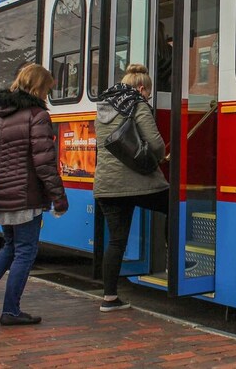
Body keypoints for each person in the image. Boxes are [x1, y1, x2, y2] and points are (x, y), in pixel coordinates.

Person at [0, 63, 68, 325]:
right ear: (38, 87)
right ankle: (10, 310)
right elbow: (44, 162)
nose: (47, 95)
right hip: (26, 194)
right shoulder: (37, 115)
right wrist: (59, 197)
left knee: (10, 246)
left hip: (2, 192)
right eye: (47, 89)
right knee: (25, 251)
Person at [94, 63, 168, 312]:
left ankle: (109, 298)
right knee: (176, 207)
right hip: (139, 183)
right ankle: (173, 261)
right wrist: (160, 156)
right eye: (148, 92)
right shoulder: (136, 103)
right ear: (140, 87)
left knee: (116, 242)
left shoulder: (103, 105)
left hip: (107, 185)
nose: (148, 97)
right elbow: (156, 145)